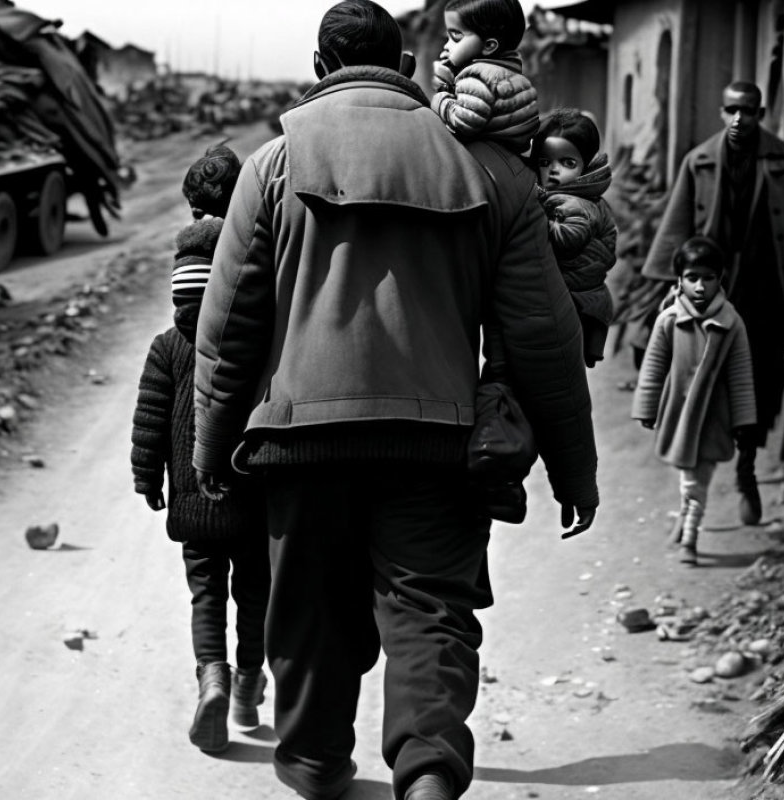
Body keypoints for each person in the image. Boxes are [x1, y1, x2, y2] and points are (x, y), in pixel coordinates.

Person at [192, 2, 599, 799]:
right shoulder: (488, 171)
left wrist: (210, 446)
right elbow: (542, 336)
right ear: (408, 70)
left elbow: (229, 321)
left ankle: (312, 764)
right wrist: (574, 470)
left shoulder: (272, 166)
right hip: (437, 447)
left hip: (300, 445)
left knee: (309, 613)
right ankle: (428, 774)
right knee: (430, 615)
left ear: (317, 69)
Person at [130, 146, 270, 755]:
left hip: (191, 492)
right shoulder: (260, 335)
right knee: (255, 592)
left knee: (206, 591)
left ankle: (209, 675)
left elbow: (150, 419)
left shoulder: (166, 346)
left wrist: (147, 478)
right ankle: (246, 685)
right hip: (254, 489)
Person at [641, 80, 784, 525]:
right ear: (722, 112)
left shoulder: (780, 158)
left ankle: (746, 469)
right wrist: (670, 283)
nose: (741, 119)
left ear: (761, 114)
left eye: (750, 111)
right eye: (732, 110)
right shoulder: (700, 160)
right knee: (702, 379)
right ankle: (693, 492)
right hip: (714, 291)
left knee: (758, 380)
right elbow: (678, 223)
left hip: (766, 290)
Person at [632, 237, 757, 564]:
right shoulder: (669, 320)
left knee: (698, 479)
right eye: (692, 278)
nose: (700, 286)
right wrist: (647, 407)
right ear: (679, 280)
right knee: (687, 474)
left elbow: (740, 375)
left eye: (708, 277)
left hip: (714, 417)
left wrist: (744, 421)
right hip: (678, 412)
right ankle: (685, 518)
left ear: (721, 278)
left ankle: (689, 537)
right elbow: (654, 366)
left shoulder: (731, 323)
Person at [531, 108, 619, 368]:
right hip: (583, 301)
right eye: (545, 162)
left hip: (574, 304)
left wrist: (534, 217)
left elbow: (568, 237)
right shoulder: (587, 196)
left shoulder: (572, 202)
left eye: (567, 163)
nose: (554, 171)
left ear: (586, 166)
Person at [430, 0, 539, 153]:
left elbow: (463, 124)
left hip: (486, 158)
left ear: (488, 46)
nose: (446, 46)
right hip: (514, 155)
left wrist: (441, 96)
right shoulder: (512, 74)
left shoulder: (477, 76)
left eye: (455, 37)